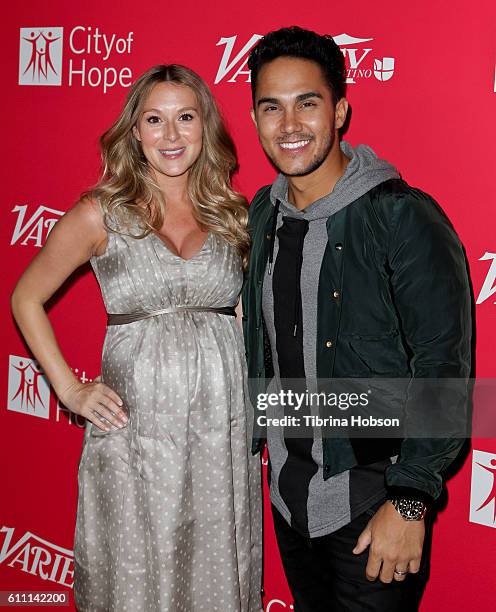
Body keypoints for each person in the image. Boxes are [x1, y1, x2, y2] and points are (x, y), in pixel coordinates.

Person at [11, 64, 262, 612]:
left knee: (217, 572)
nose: (171, 136)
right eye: (155, 119)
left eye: (185, 118)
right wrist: (70, 391)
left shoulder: (234, 215)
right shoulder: (101, 213)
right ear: (135, 131)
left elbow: (245, 319)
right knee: (135, 574)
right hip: (136, 436)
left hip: (221, 434)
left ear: (206, 128)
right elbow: (25, 297)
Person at [241, 26, 471, 611]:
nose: (289, 124)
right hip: (290, 503)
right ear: (256, 118)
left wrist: (412, 500)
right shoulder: (262, 214)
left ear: (340, 110)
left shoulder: (400, 216)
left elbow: (444, 366)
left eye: (307, 103)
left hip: (375, 505)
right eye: (272, 106)